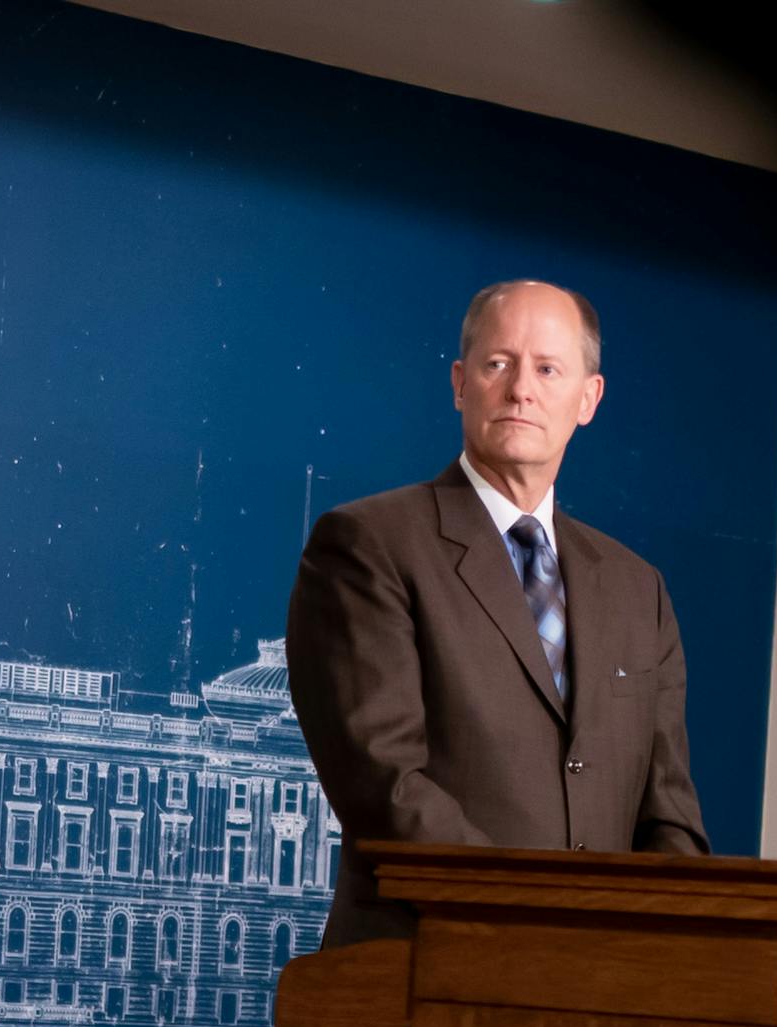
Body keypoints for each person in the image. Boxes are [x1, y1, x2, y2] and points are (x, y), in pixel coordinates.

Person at [287, 279, 710, 954]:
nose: (522, 389)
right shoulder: (369, 545)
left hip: (601, 1007)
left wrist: (659, 958)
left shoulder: (639, 590)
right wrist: (536, 926)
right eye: (497, 363)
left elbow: (670, 820)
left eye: (548, 368)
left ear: (588, 398)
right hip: (424, 980)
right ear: (460, 383)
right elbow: (386, 786)